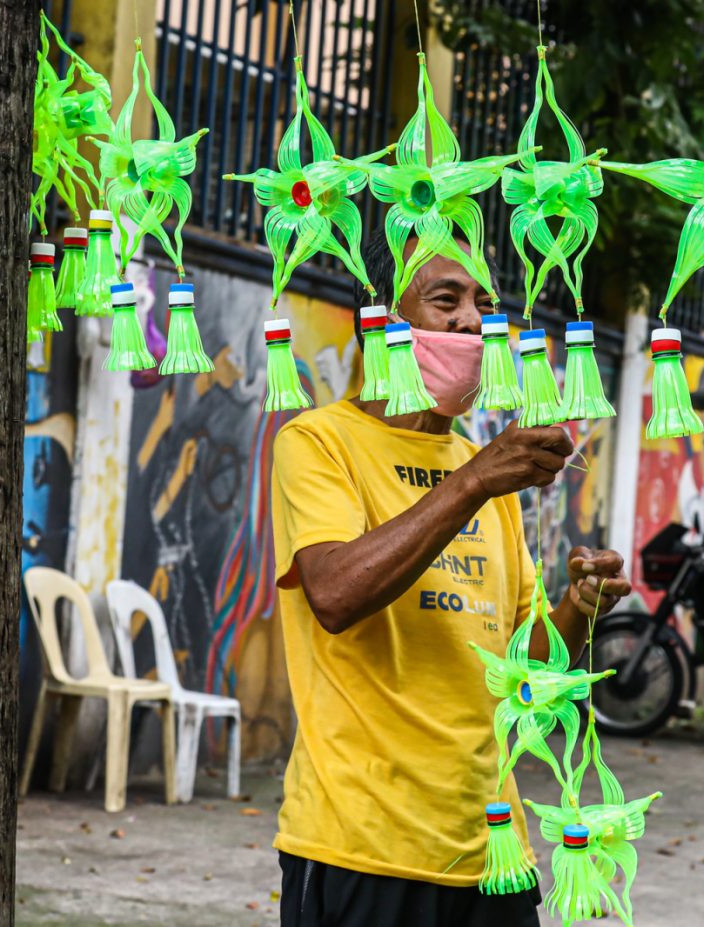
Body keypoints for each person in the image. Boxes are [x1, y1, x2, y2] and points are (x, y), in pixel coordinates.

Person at [270, 230, 632, 927]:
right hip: (360, 848)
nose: (472, 320)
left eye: (482, 302)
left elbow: (522, 668)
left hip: (493, 847)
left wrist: (580, 607)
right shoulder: (318, 442)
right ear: (380, 316)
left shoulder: (486, 470)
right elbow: (336, 594)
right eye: (446, 299)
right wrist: (470, 482)